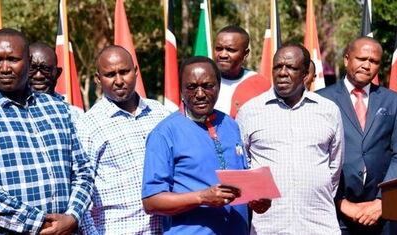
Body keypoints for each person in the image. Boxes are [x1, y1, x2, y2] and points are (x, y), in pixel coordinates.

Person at [0, 28, 94, 234]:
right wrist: (41, 224)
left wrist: (72, 216)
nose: (5, 68)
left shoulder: (57, 109)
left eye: (13, 59)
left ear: (28, 60)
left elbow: (83, 172)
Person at [141, 56, 271, 234]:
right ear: (181, 90)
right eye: (192, 87)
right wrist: (202, 197)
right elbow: (151, 201)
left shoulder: (230, 124)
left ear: (218, 87)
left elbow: (241, 184)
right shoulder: (164, 134)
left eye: (208, 86)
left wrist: (257, 200)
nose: (200, 94)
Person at [236, 43, 344, 234]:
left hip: (318, 224)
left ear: (305, 73)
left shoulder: (328, 110)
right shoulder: (249, 111)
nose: (283, 73)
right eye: (278, 67)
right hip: (269, 226)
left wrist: (314, 189)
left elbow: (334, 167)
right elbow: (243, 164)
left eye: (291, 68)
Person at [317, 36, 397, 235]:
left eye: (374, 61)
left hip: (382, 215)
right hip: (336, 214)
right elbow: (314, 157)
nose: (367, 65)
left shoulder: (392, 100)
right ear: (346, 59)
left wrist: (382, 200)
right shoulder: (321, 100)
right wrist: (341, 202)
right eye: (361, 59)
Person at [76, 45, 170, 234]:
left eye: (124, 72)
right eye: (110, 75)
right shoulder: (88, 125)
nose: (119, 81)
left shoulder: (161, 113)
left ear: (135, 72)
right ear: (98, 79)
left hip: (166, 229)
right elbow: (81, 187)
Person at [213, 25, 271, 118]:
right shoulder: (201, 82)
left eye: (230, 50)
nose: (223, 54)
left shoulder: (260, 84)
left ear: (245, 54)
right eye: (219, 49)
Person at [28, 42, 84, 122]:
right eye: (31, 68)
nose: (38, 76)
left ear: (58, 73)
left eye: (46, 69)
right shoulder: (8, 111)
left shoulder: (74, 115)